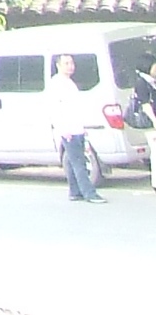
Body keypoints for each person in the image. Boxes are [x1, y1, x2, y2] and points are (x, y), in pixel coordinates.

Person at [47, 51, 103, 203]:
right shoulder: (56, 84)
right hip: (68, 130)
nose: (70, 66)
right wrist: (62, 129)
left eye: (71, 63)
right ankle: (89, 193)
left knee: (72, 162)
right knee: (79, 163)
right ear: (58, 65)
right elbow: (54, 109)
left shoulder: (69, 83)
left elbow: (75, 108)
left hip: (77, 128)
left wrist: (82, 128)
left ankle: (75, 191)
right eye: (66, 63)